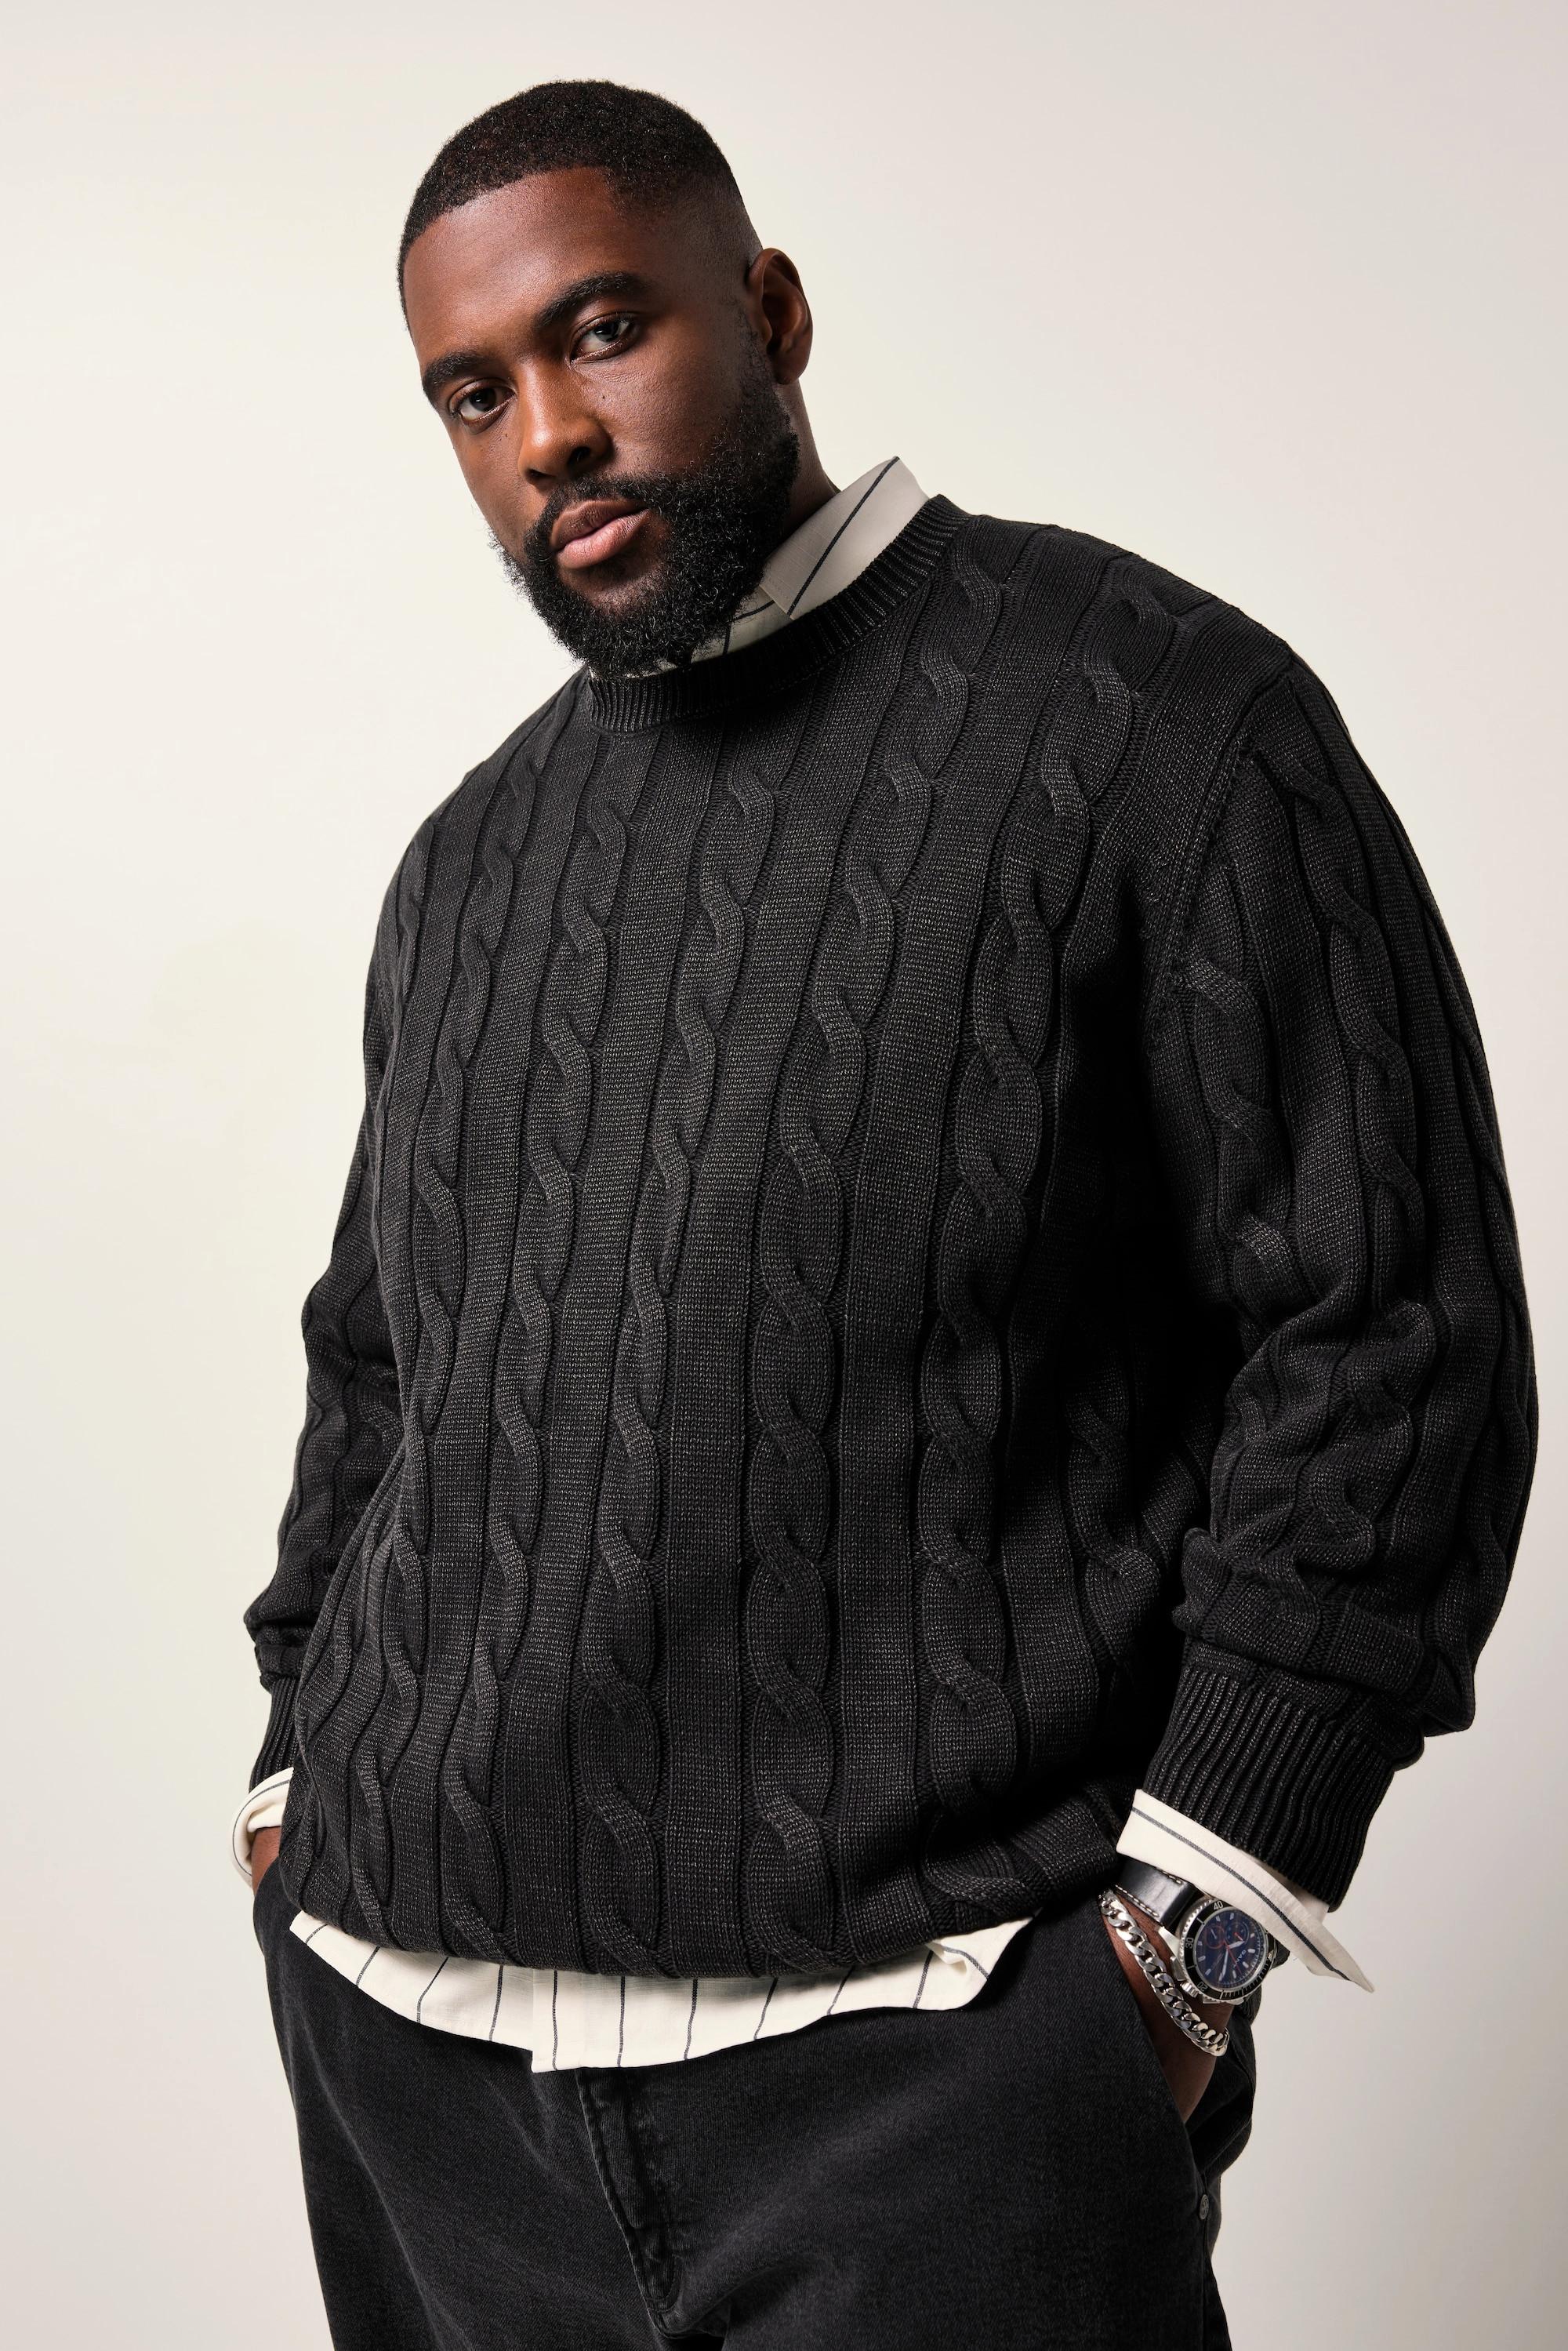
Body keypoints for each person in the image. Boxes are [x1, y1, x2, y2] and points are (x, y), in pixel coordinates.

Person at [234, 77, 1537, 2351]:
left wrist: (1186, 1942)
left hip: (938, 2086)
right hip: (421, 2076)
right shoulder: (469, 861)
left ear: (770, 308)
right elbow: (383, 1366)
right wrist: (291, 1774)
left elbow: (1392, 1334)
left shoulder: (1154, 719)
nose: (550, 434)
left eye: (603, 329)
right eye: (474, 393)